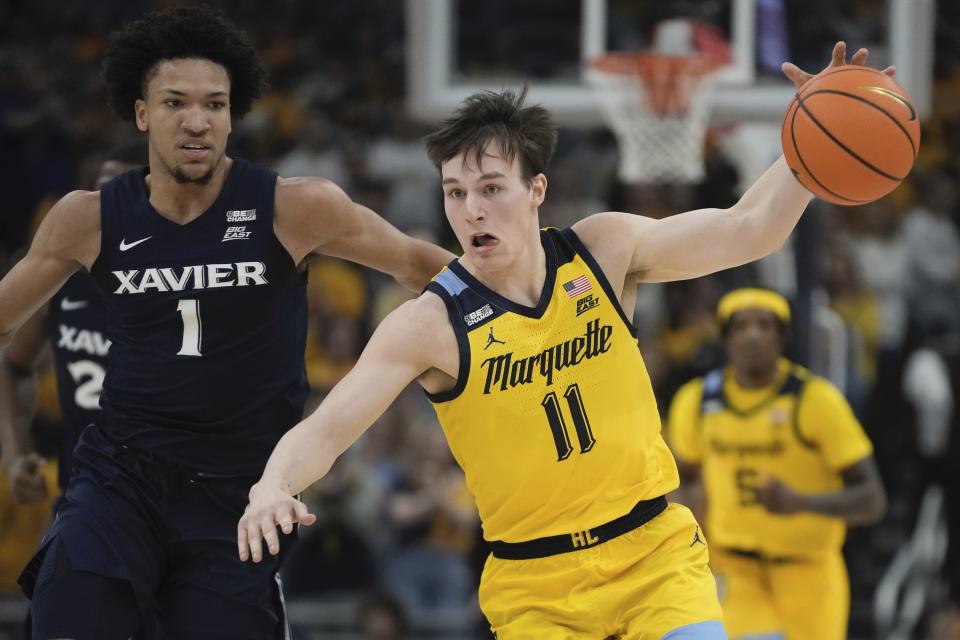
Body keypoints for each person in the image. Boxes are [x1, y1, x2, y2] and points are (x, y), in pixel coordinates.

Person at [238, 43, 891, 639]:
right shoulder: (429, 322)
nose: (471, 211)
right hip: (536, 588)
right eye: (455, 193)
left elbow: (747, 228)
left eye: (492, 189)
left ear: (536, 192)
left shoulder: (603, 250)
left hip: (654, 558)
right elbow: (328, 428)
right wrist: (274, 484)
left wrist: (810, 146)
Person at [0, 6, 453, 639]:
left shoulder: (296, 207)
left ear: (233, 116)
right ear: (140, 114)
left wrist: (535, 304)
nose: (196, 121)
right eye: (175, 103)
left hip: (239, 494)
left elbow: (417, 265)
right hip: (119, 479)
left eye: (215, 105)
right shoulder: (89, 217)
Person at [666, 287, 887, 640]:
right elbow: (685, 480)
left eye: (764, 325)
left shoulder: (817, 400)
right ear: (725, 337)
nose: (752, 334)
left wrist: (803, 503)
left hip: (809, 570)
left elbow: (872, 499)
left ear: (783, 335)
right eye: (740, 326)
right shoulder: (695, 401)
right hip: (735, 569)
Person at [0, 145, 146, 510]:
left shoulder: (193, 285)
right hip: (82, 492)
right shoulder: (57, 282)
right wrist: (15, 453)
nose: (110, 207)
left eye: (126, 192)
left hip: (168, 497)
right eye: (102, 193)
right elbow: (11, 365)